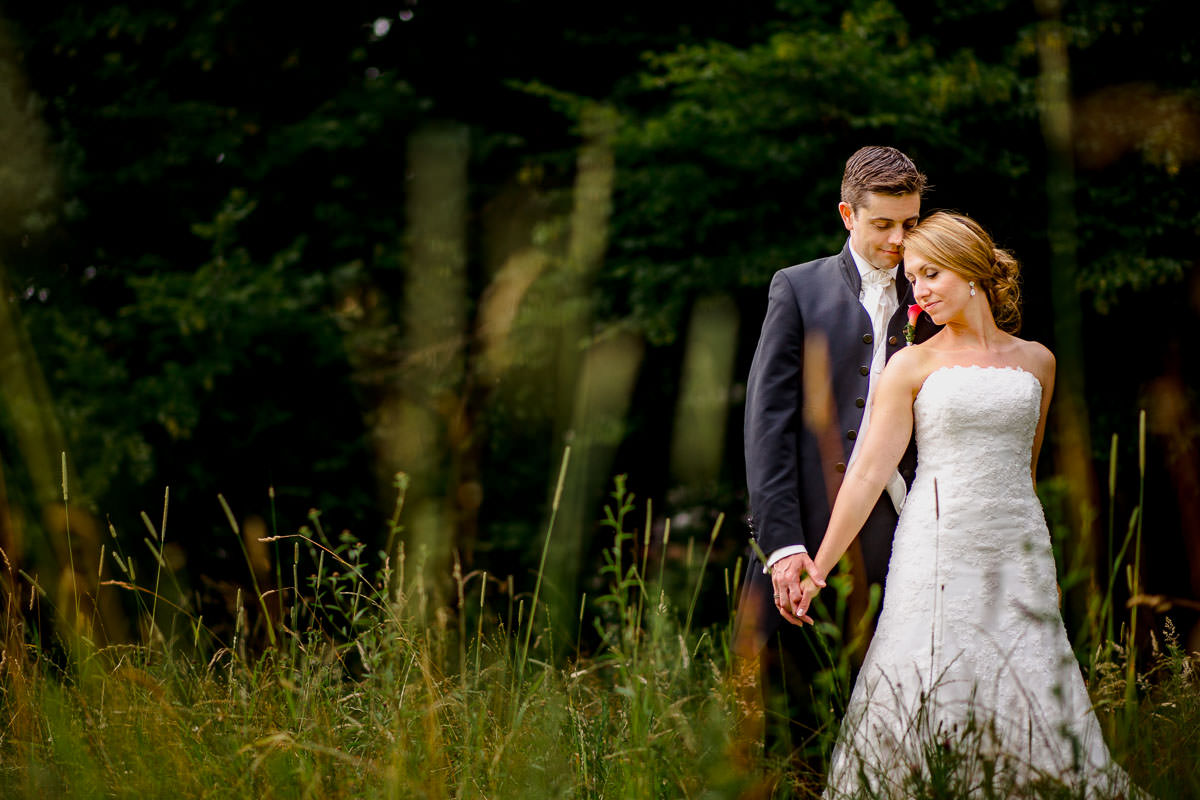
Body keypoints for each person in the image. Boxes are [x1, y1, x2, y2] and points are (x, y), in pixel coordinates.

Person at [793, 211, 1133, 796]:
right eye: (912, 277)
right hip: (936, 546)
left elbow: (1025, 472)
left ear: (972, 272)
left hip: (1017, 546)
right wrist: (819, 565)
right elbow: (870, 471)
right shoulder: (912, 364)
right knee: (923, 674)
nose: (918, 290)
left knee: (1029, 677)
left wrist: (1042, 561)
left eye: (931, 274)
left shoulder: (1037, 361)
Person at [735, 146, 937, 762]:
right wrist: (783, 545)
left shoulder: (942, 291)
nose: (900, 241)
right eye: (883, 225)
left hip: (908, 539)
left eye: (911, 224)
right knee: (786, 724)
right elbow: (766, 423)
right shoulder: (798, 288)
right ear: (847, 215)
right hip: (807, 530)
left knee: (892, 722)